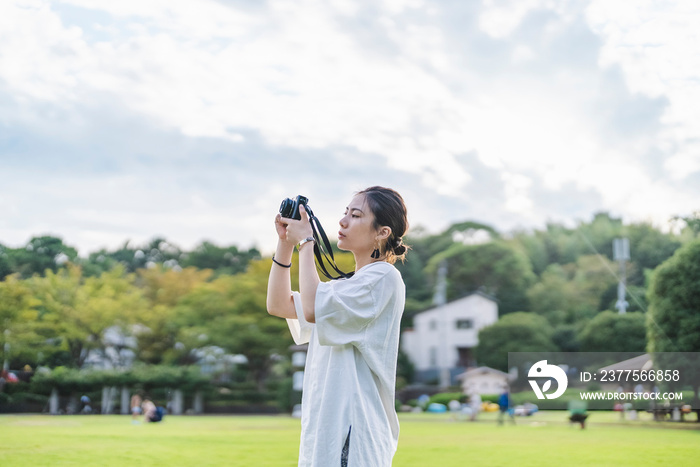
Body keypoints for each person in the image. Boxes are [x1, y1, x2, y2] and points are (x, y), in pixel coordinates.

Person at [267, 186, 409, 467]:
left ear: (383, 232)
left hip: (352, 434)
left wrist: (307, 241)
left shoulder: (383, 278)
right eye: (345, 213)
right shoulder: (347, 287)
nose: (342, 221)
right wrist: (285, 243)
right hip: (329, 430)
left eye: (355, 215)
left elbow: (310, 306)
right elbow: (279, 304)